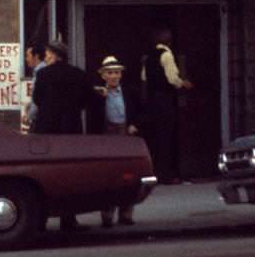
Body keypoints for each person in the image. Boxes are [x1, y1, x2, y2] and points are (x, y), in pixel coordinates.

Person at [30, 41, 90, 231]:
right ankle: (68, 219)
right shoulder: (78, 74)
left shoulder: (42, 74)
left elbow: (37, 99)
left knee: (45, 173)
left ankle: (41, 220)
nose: (46, 57)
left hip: (47, 129)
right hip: (70, 128)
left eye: (48, 54)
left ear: (56, 55)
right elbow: (85, 99)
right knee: (70, 174)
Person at [88, 56, 143, 227]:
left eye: (117, 73)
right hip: (107, 137)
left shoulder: (130, 92)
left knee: (129, 177)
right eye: (110, 73)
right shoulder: (98, 94)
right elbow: (92, 118)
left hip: (126, 135)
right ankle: (107, 214)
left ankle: (126, 213)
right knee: (108, 177)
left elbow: (142, 111)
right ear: (103, 76)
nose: (114, 76)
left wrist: (134, 124)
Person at [140, 28, 192, 184]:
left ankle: (154, 172)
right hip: (164, 99)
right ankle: (166, 175)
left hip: (152, 100)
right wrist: (184, 83)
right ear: (169, 41)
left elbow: (143, 77)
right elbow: (172, 78)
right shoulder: (167, 55)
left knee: (155, 137)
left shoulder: (148, 57)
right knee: (166, 136)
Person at [23, 43, 47, 130]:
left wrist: (29, 116)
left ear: (36, 56)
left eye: (28, 56)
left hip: (40, 120)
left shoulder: (41, 73)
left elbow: (38, 100)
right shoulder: (40, 70)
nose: (26, 59)